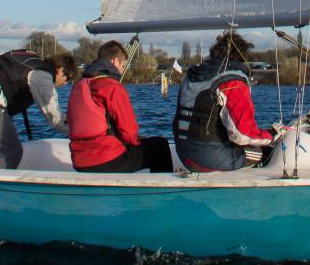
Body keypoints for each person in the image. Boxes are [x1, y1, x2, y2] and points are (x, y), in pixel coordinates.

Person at [174, 32, 285, 172]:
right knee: (265, 152)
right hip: (209, 158)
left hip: (184, 154)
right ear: (242, 57)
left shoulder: (191, 77)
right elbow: (242, 135)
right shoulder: (233, 82)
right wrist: (272, 135)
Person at [68, 40, 173, 173]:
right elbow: (128, 133)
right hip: (105, 160)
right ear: (115, 61)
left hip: (79, 160)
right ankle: (162, 186)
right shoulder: (112, 87)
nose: (123, 70)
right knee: (160, 146)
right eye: (123, 65)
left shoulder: (79, 86)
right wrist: (137, 140)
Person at [0, 48, 77, 169]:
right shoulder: (42, 76)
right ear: (59, 70)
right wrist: (79, 130)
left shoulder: (27, 54)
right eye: (67, 78)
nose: (65, 84)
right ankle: (0, 180)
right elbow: (55, 118)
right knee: (11, 154)